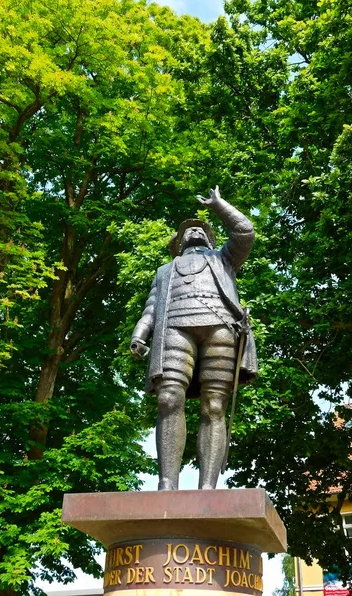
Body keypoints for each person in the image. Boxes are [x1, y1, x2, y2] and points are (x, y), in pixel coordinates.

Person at [130, 186, 257, 490]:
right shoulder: (164, 271)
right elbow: (151, 308)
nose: (194, 232)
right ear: (178, 243)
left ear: (210, 239)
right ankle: (166, 484)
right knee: (168, 399)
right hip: (174, 329)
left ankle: (208, 489)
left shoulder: (224, 259)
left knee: (214, 406)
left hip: (221, 329)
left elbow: (245, 231)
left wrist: (218, 205)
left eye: (200, 229)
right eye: (188, 231)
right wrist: (139, 334)